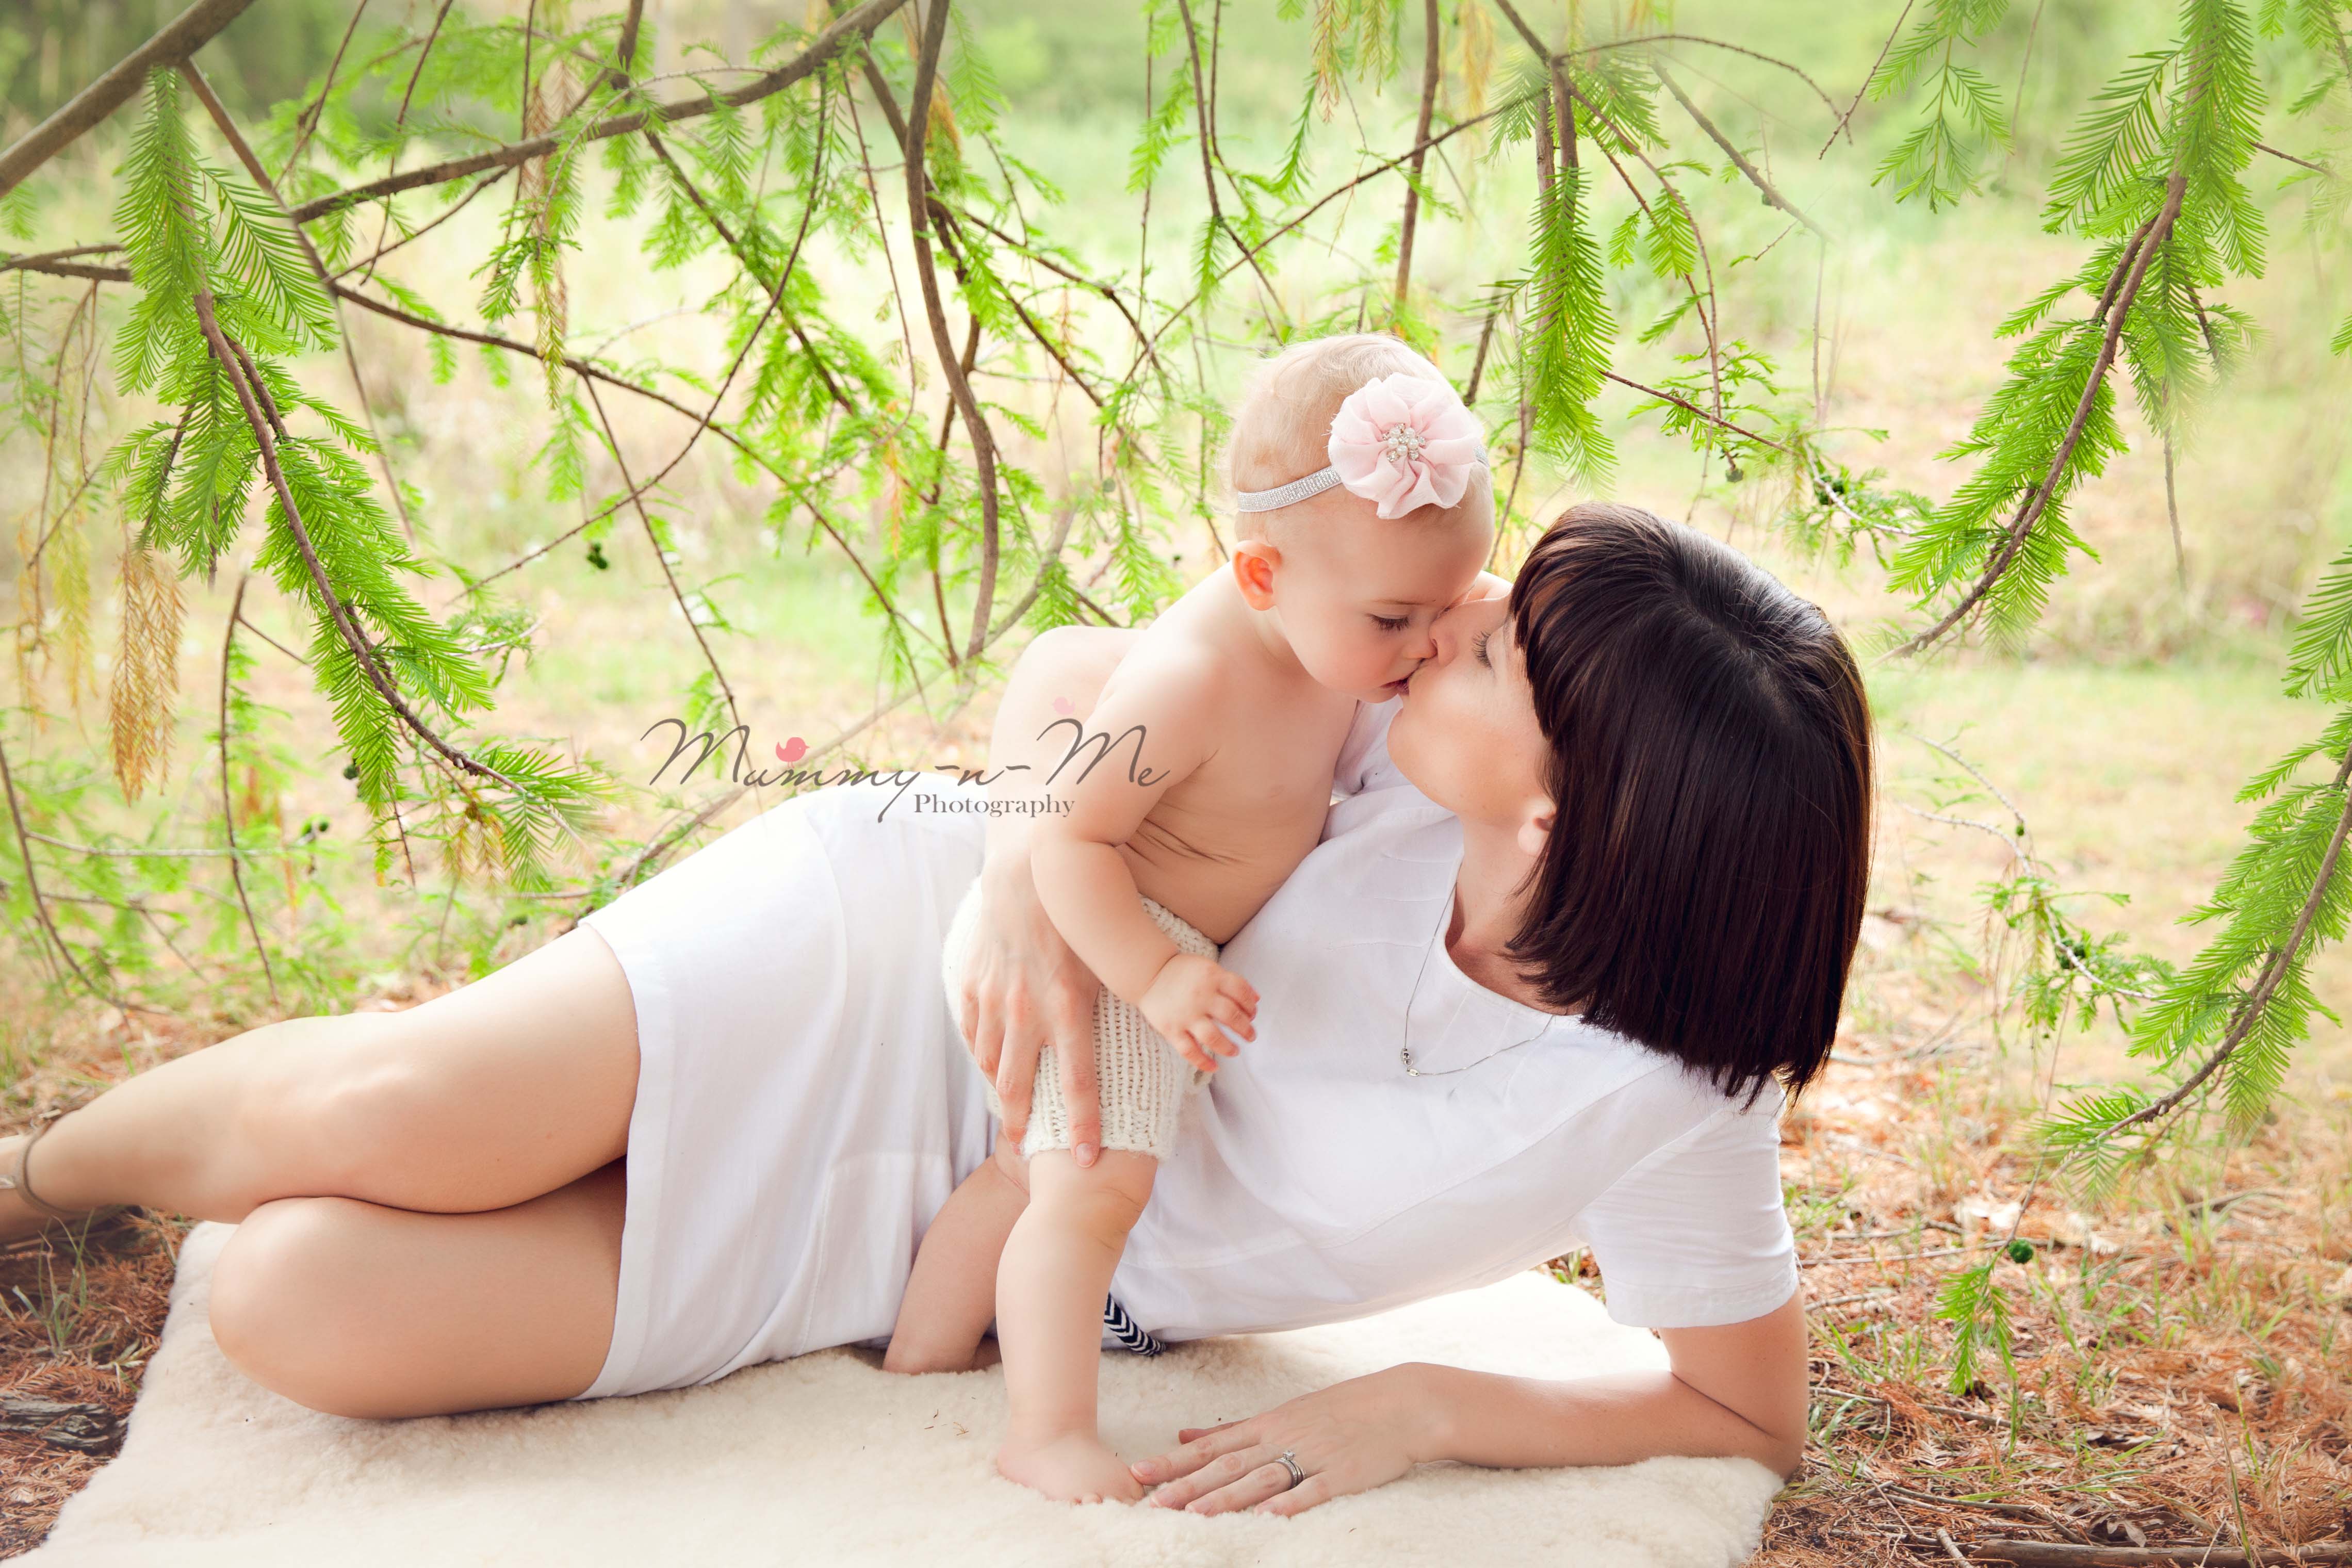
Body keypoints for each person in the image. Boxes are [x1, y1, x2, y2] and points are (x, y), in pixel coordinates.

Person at [0, 502, 1870, 1518]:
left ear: (1564, 809)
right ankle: (33, 1173)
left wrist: (1426, 1408)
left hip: (981, 1224)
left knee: (301, 1302)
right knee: (383, 1117)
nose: (1445, 622)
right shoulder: (1380, 722)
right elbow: (1079, 672)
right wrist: (1018, 878)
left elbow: (1740, 1412)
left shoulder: (1666, 1093)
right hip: (902, 961)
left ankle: (362, 1150)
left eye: (1491, 652)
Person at [888, 333, 1497, 1505]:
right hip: (1111, 931)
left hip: (1156, 938)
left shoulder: (1331, 628)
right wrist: (1158, 973)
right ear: (1261, 575)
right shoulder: (1196, 679)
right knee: (1096, 1187)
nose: (1427, 642)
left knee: (1026, 1172)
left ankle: (919, 1353)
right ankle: (1048, 1430)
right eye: (1395, 618)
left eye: (1450, 603)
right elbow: (1066, 836)